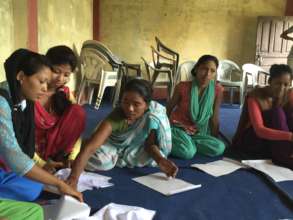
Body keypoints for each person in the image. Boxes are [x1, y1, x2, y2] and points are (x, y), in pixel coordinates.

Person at [0, 49, 82, 219]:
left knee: (34, 188)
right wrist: (59, 184)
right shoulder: (2, 102)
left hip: (5, 170)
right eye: (41, 81)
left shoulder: (23, 98)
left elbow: (22, 149)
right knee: (34, 209)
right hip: (4, 164)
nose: (45, 88)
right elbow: (13, 155)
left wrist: (45, 173)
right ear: (21, 76)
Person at [67, 79, 178, 188]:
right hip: (111, 145)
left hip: (137, 147)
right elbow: (90, 148)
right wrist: (73, 178)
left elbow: (149, 144)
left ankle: (121, 156)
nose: (129, 108)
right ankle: (74, 154)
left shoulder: (151, 116)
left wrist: (160, 160)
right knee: (103, 162)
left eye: (136, 104)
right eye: (125, 101)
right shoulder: (116, 117)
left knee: (151, 157)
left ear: (147, 105)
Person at [34, 45, 85, 173]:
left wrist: (73, 157)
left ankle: (59, 160)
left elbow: (77, 130)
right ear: (45, 67)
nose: (60, 79)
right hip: (29, 148)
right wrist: (41, 164)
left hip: (54, 152)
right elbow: (18, 132)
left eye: (66, 75)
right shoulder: (31, 91)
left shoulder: (65, 93)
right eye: (56, 71)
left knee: (78, 112)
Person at [232, 64, 293, 169]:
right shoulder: (255, 96)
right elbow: (259, 130)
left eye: (286, 84)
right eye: (278, 83)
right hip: (254, 139)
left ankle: (284, 152)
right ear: (270, 82)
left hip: (275, 139)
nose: (282, 88)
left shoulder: (289, 94)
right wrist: (290, 136)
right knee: (276, 113)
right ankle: (285, 157)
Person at [167, 55, 225, 160]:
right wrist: (163, 131)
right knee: (187, 153)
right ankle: (175, 141)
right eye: (204, 69)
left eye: (212, 71)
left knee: (219, 147)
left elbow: (214, 118)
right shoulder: (182, 87)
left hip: (198, 132)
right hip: (179, 128)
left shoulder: (217, 90)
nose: (207, 74)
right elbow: (169, 108)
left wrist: (213, 139)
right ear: (197, 68)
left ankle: (185, 143)